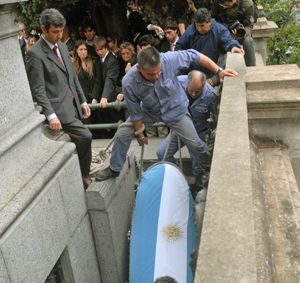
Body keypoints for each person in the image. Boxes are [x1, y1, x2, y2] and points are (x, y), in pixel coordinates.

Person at [94, 47, 237, 183]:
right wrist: (140, 134)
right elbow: (135, 112)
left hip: (176, 110)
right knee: (123, 133)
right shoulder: (128, 82)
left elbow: (196, 56)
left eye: (158, 72)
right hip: (150, 111)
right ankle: (114, 168)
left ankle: (216, 168)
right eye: (151, 74)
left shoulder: (169, 59)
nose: (156, 76)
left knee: (196, 145)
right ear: (139, 68)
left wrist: (219, 71)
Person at [26, 8, 93, 190]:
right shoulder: (34, 54)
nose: (59, 35)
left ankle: (80, 172)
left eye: (61, 31)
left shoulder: (63, 46)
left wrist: (83, 101)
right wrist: (51, 115)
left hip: (74, 106)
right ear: (43, 29)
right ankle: (84, 174)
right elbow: (38, 90)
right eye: (55, 31)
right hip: (59, 111)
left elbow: (72, 78)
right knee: (86, 136)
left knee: (83, 137)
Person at [157, 70, 215, 190]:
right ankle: (179, 180)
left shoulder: (211, 95)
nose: (193, 94)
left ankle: (199, 191)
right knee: (162, 153)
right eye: (191, 90)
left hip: (198, 132)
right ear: (187, 84)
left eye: (197, 91)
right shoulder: (176, 83)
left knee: (198, 166)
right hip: (179, 128)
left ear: (204, 86)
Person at [175, 8, 244, 85]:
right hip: (192, 70)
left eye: (202, 26)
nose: (199, 29)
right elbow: (180, 47)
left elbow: (227, 39)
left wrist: (233, 46)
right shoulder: (190, 30)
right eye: (197, 25)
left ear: (210, 22)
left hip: (212, 70)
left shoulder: (218, 29)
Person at [211, 0, 256, 67]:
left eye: (226, 5)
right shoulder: (218, 1)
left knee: (248, 41)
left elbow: (250, 25)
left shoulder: (247, 3)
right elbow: (212, 18)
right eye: (222, 5)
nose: (224, 7)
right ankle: (217, 68)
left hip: (240, 27)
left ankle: (251, 67)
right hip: (223, 26)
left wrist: (242, 34)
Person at [72, 39, 102, 124]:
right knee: (86, 123)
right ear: (76, 51)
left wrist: (95, 97)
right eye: (81, 49)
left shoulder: (94, 61)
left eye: (85, 49)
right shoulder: (73, 65)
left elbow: (98, 80)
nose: (83, 52)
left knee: (98, 121)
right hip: (83, 99)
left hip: (95, 97)